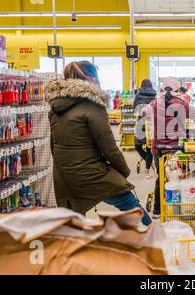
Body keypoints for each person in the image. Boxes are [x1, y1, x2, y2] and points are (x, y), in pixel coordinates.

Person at [45, 61, 152, 226]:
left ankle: (77, 247)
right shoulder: (93, 106)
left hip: (65, 176)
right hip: (93, 174)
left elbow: (53, 146)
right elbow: (108, 147)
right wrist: (123, 170)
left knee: (74, 221)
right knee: (127, 200)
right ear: (91, 79)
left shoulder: (55, 108)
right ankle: (153, 233)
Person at [142, 77, 195, 218]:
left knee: (161, 177)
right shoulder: (180, 102)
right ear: (177, 89)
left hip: (158, 148)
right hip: (175, 150)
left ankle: (157, 210)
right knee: (178, 177)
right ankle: (177, 209)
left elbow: (142, 112)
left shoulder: (155, 102)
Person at [133, 79, 157, 179]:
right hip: (151, 123)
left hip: (140, 122)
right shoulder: (155, 96)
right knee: (149, 147)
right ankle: (148, 169)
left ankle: (149, 163)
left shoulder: (138, 95)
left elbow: (134, 108)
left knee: (137, 146)